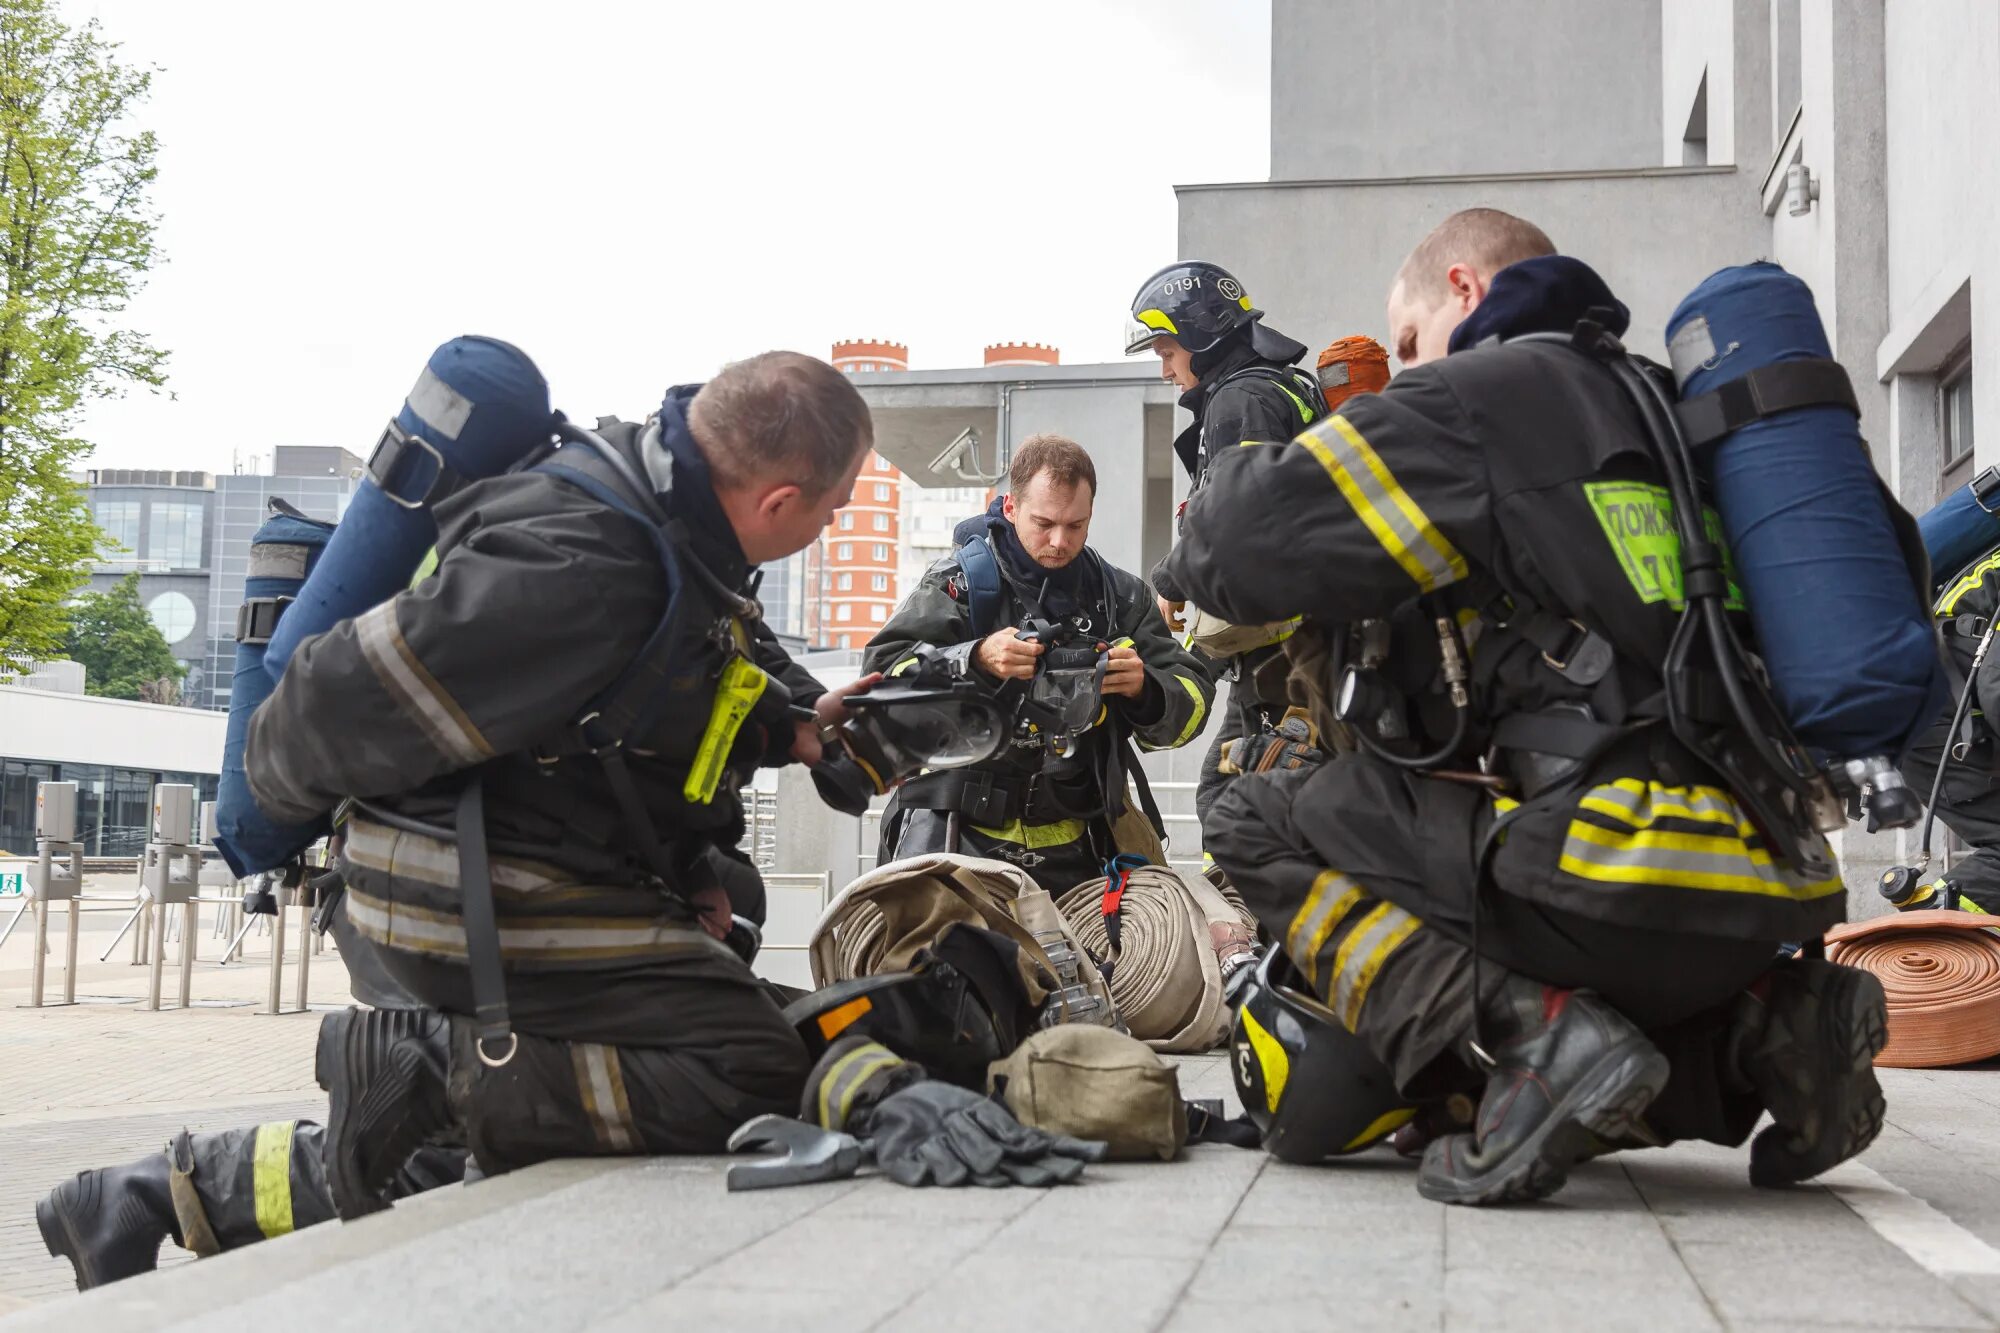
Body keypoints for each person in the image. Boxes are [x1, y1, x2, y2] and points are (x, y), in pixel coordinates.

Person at [37, 351, 881, 1288]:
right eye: (835, 507)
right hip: (438, 878)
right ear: (779, 500)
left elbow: (631, 716)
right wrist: (275, 798)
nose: (832, 523)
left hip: (506, 863)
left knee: (544, 1112)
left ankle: (152, 1192)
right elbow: (327, 706)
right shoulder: (588, 564)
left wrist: (789, 733)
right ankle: (428, 1063)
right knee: (748, 1064)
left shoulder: (669, 528)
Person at [1167, 207, 1890, 1206]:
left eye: (1407, 341)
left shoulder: (1471, 400)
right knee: (1598, 953)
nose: (1405, 367)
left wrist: (1242, 441)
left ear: (1463, 291)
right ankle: (1773, 1028)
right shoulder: (1679, 412)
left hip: (1611, 869)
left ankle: (1535, 1035)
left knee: (1254, 811)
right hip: (1770, 886)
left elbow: (1230, 554)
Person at [864, 433, 1213, 895]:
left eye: (1076, 525)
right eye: (1044, 522)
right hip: (955, 840)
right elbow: (879, 686)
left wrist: (1144, 689)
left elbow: (1191, 703)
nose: (1058, 540)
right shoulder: (959, 586)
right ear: (1009, 507)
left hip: (1084, 848)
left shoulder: (1120, 599)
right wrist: (976, 657)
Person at [1125, 261, 1325, 823]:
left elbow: (1238, 516)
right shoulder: (1281, 387)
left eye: (1167, 353)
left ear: (1199, 337)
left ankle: (1264, 910)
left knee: (1229, 806)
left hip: (1290, 661)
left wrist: (1169, 581)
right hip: (1289, 653)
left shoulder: (1243, 402)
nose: (1165, 370)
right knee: (1230, 797)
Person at [1892, 543, 2000, 911]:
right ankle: (1927, 937)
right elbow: (1995, 683)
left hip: (1926, 722)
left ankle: (1932, 923)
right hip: (1947, 729)